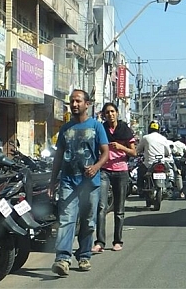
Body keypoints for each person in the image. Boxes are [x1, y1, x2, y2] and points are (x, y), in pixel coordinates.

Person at [47, 89, 109, 277]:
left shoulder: (96, 127)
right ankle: (63, 259)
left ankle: (84, 255)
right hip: (68, 181)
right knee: (66, 220)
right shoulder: (65, 129)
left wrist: (96, 167)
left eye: (78, 101)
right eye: (72, 101)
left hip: (90, 183)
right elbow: (58, 156)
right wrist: (53, 181)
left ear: (87, 104)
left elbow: (105, 153)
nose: (74, 105)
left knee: (88, 221)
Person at [93, 102, 135, 253]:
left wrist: (121, 147)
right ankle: (100, 242)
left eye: (112, 111)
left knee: (119, 209)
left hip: (121, 171)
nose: (110, 114)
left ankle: (117, 240)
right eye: (107, 112)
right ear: (104, 115)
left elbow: (134, 152)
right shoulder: (101, 129)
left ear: (117, 113)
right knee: (101, 207)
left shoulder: (125, 130)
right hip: (104, 170)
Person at [169, 134, 186, 199]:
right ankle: (181, 192)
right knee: (178, 175)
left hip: (172, 160)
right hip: (179, 160)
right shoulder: (182, 144)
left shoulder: (172, 144)